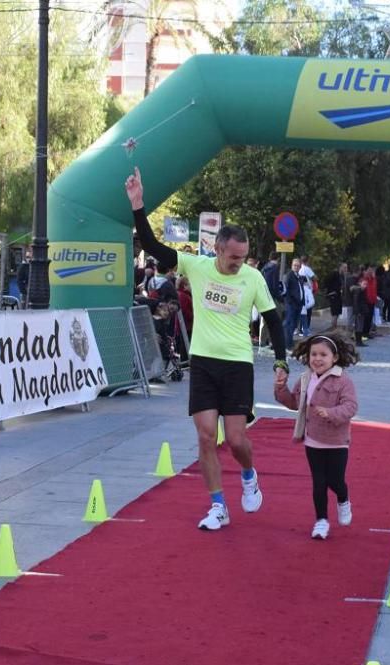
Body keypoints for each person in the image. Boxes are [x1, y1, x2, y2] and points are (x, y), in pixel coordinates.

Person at [125, 167, 288, 531]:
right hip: (203, 362)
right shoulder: (195, 266)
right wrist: (138, 205)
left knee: (235, 439)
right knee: (205, 435)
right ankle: (217, 505)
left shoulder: (253, 278)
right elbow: (153, 248)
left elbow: (274, 321)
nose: (239, 263)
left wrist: (281, 362)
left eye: (243, 257)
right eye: (233, 257)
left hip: (237, 365)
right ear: (217, 249)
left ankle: (249, 473)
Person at [273, 333, 359, 540]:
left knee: (336, 481)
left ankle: (343, 498)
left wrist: (331, 413)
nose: (317, 359)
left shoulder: (343, 381)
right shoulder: (305, 379)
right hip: (312, 440)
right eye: (314, 354)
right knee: (319, 482)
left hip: (337, 442)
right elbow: (294, 403)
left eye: (323, 355)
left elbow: (351, 407)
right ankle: (321, 521)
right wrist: (280, 387)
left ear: (334, 358)